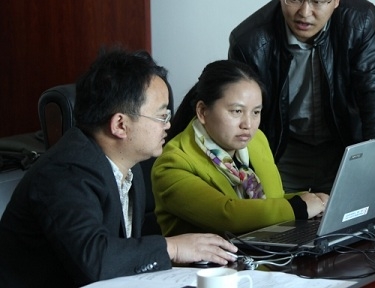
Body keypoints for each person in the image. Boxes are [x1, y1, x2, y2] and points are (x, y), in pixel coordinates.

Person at [0, 49, 238, 288]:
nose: (168, 125)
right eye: (162, 116)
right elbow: (95, 261)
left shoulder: (128, 166)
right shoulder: (65, 172)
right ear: (120, 125)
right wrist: (173, 247)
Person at [228, 0, 375, 203]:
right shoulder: (250, 42)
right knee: (280, 221)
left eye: (318, 1)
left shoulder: (358, 22)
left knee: (356, 218)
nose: (305, 12)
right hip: (282, 150)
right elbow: (244, 116)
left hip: (343, 145)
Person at [152, 60, 329, 236]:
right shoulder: (172, 163)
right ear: (203, 111)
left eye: (256, 112)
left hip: (264, 247)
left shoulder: (257, 140)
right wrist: (299, 207)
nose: (248, 125)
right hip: (216, 254)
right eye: (237, 111)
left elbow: (273, 201)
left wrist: (315, 200)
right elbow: (228, 215)